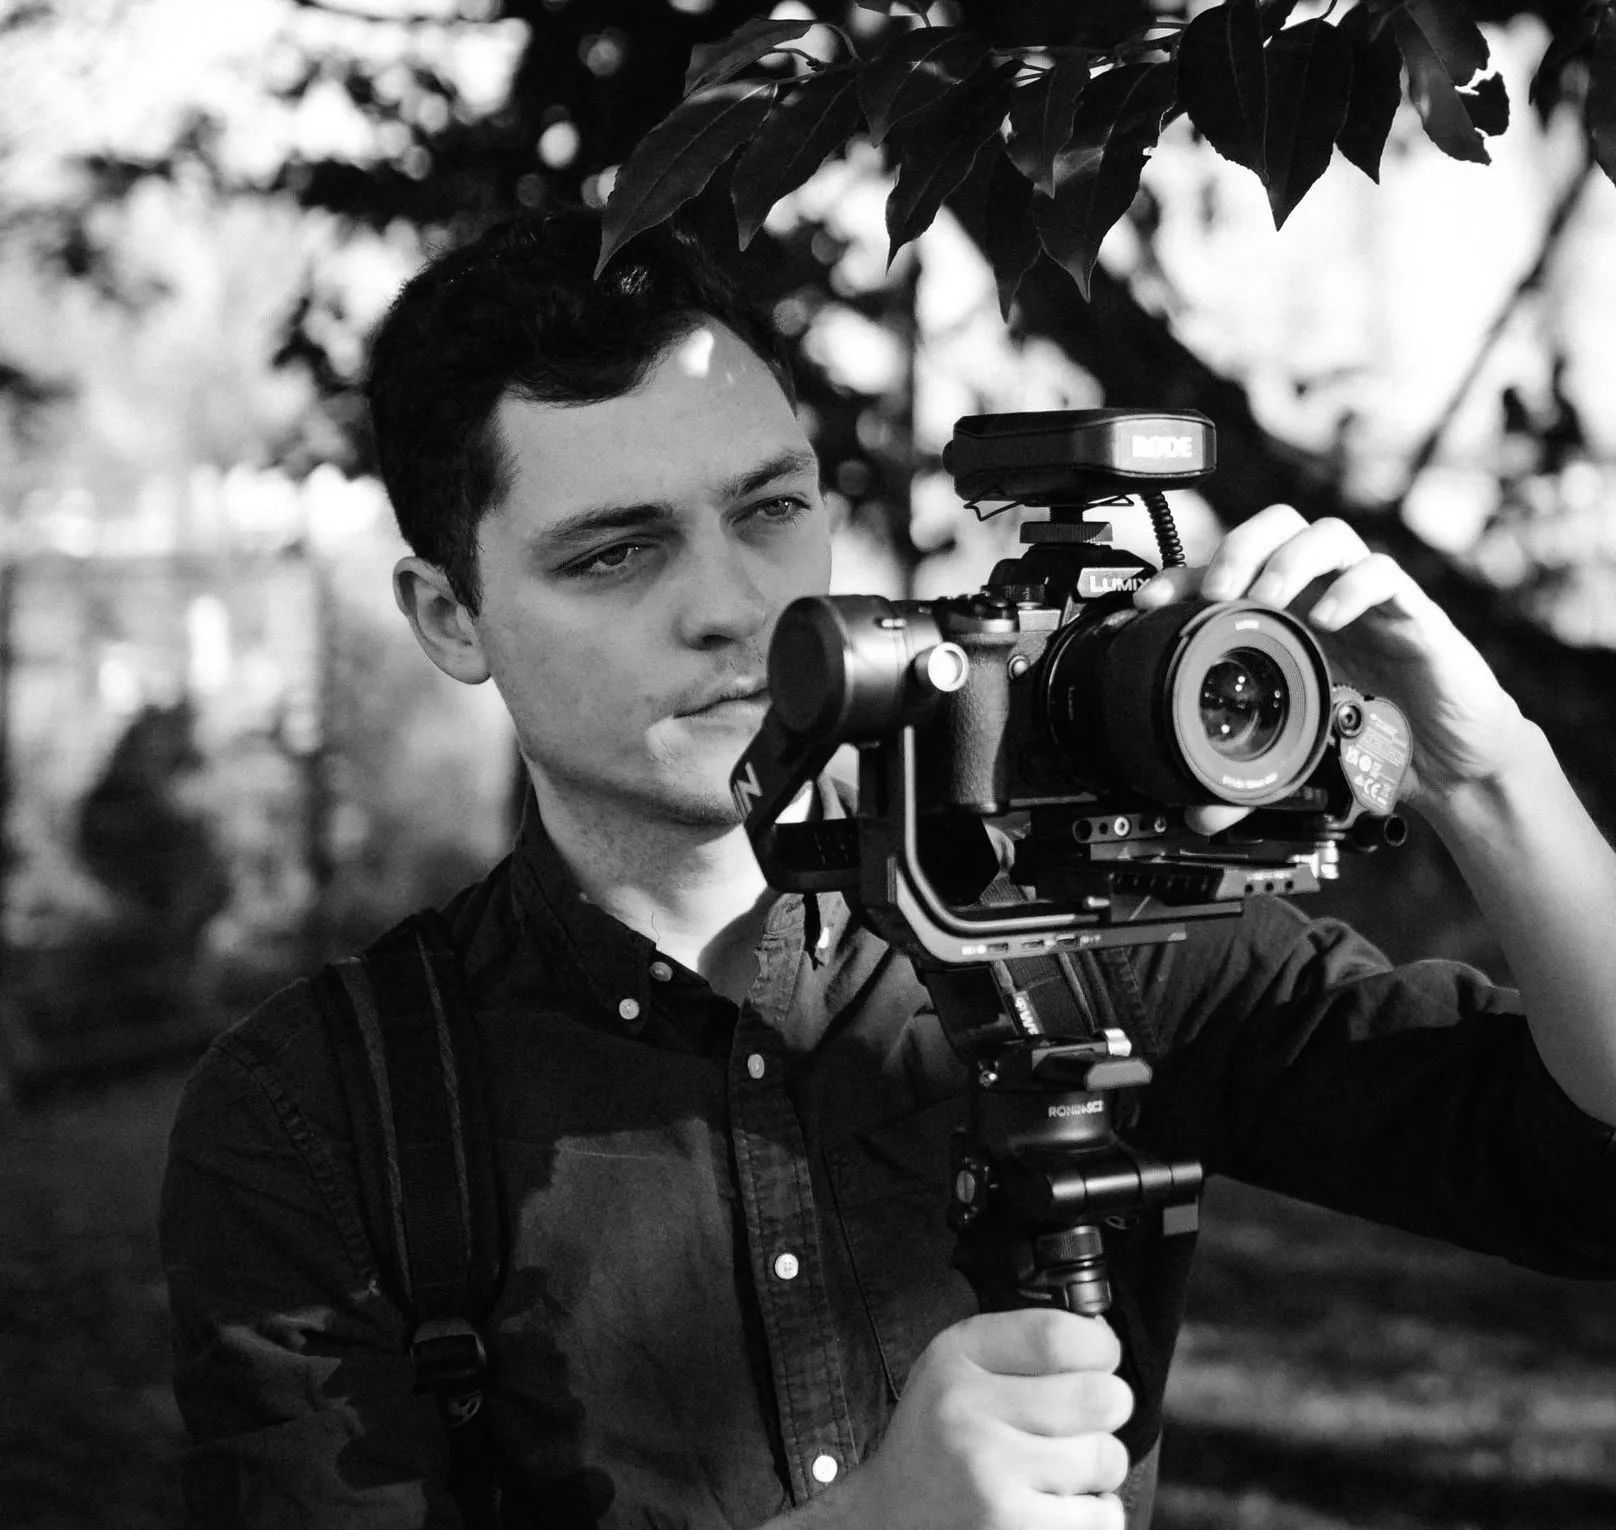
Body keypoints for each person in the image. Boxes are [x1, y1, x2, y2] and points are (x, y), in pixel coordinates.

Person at [160, 208, 1616, 1530]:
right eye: (614, 554)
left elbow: (1586, 1173)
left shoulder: (1080, 920)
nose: (730, 606)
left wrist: (1492, 774)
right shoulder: (323, 1114)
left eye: (770, 509)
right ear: (448, 615)